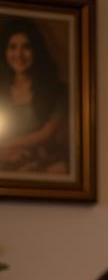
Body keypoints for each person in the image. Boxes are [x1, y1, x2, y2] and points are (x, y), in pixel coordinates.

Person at [0, 17, 68, 174]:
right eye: (12, 47)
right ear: (4, 52)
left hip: (44, 159)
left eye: (26, 47)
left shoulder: (58, 90)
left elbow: (45, 134)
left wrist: (5, 143)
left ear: (36, 51)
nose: (19, 54)